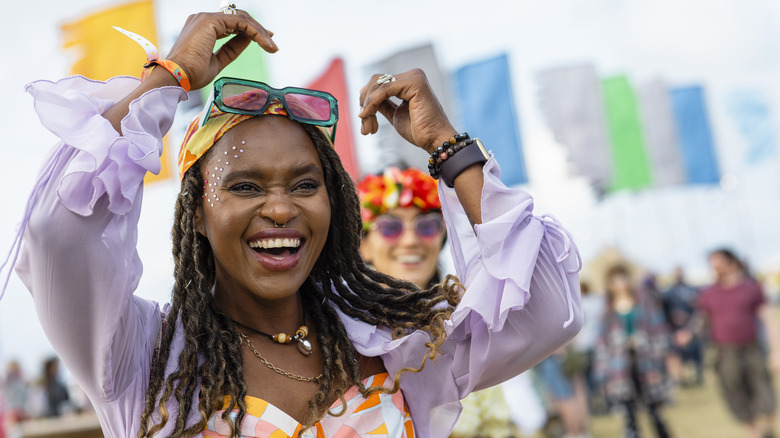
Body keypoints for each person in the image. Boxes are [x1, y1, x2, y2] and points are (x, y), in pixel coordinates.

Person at [3, 8, 582, 438]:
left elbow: (548, 308)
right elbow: (58, 232)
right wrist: (170, 77)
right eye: (245, 185)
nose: (281, 209)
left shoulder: (393, 344)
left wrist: (447, 148)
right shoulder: (142, 358)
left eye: (306, 185)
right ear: (197, 214)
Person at [358, 167, 539, 438]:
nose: (410, 240)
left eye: (427, 226)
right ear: (364, 245)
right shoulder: (346, 333)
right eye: (390, 227)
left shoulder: (466, 327)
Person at [694, 249, 778, 438]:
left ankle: (768, 430)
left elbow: (768, 320)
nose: (714, 267)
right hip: (725, 352)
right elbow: (702, 321)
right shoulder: (709, 294)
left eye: (717, 261)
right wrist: (688, 334)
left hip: (752, 348)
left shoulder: (751, 288)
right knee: (735, 392)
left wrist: (776, 352)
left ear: (731, 262)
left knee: (763, 390)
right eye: (711, 263)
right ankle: (753, 433)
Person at [594, 266, 672, 438]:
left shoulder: (645, 302)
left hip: (647, 362)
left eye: (623, 279)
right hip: (620, 368)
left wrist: (658, 365)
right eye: (615, 281)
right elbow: (602, 345)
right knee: (629, 416)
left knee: (655, 412)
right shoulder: (607, 311)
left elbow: (660, 331)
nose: (620, 284)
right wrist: (603, 376)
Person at [661, 267, 703, 387]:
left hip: (691, 328)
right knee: (675, 354)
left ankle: (698, 376)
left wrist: (691, 327)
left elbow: (699, 310)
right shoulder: (668, 292)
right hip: (675, 329)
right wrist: (672, 317)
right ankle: (679, 379)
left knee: (696, 354)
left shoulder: (693, 290)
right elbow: (665, 310)